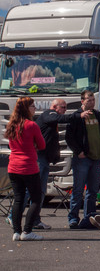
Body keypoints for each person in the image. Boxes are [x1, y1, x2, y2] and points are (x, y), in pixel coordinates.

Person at [31, 98, 84, 230]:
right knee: (33, 190)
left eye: (66, 108)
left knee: (40, 191)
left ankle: (35, 219)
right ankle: (15, 215)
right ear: (54, 107)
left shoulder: (52, 117)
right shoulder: (47, 114)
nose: (65, 110)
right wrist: (78, 115)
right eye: (63, 107)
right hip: (39, 158)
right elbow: (59, 119)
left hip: (45, 159)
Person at [65, 90, 100, 229]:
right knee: (78, 190)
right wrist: (78, 152)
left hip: (96, 158)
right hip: (83, 158)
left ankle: (90, 217)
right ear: (82, 101)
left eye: (93, 100)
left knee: (93, 190)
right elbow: (69, 137)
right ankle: (73, 218)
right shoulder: (76, 116)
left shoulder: (98, 115)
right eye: (88, 100)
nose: (91, 102)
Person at [5, 97, 46, 241]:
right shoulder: (32, 125)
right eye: (32, 106)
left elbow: (11, 145)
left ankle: (16, 231)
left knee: (18, 199)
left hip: (13, 166)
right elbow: (42, 145)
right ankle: (27, 231)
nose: (35, 108)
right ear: (26, 109)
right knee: (36, 198)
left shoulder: (11, 124)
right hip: (28, 166)